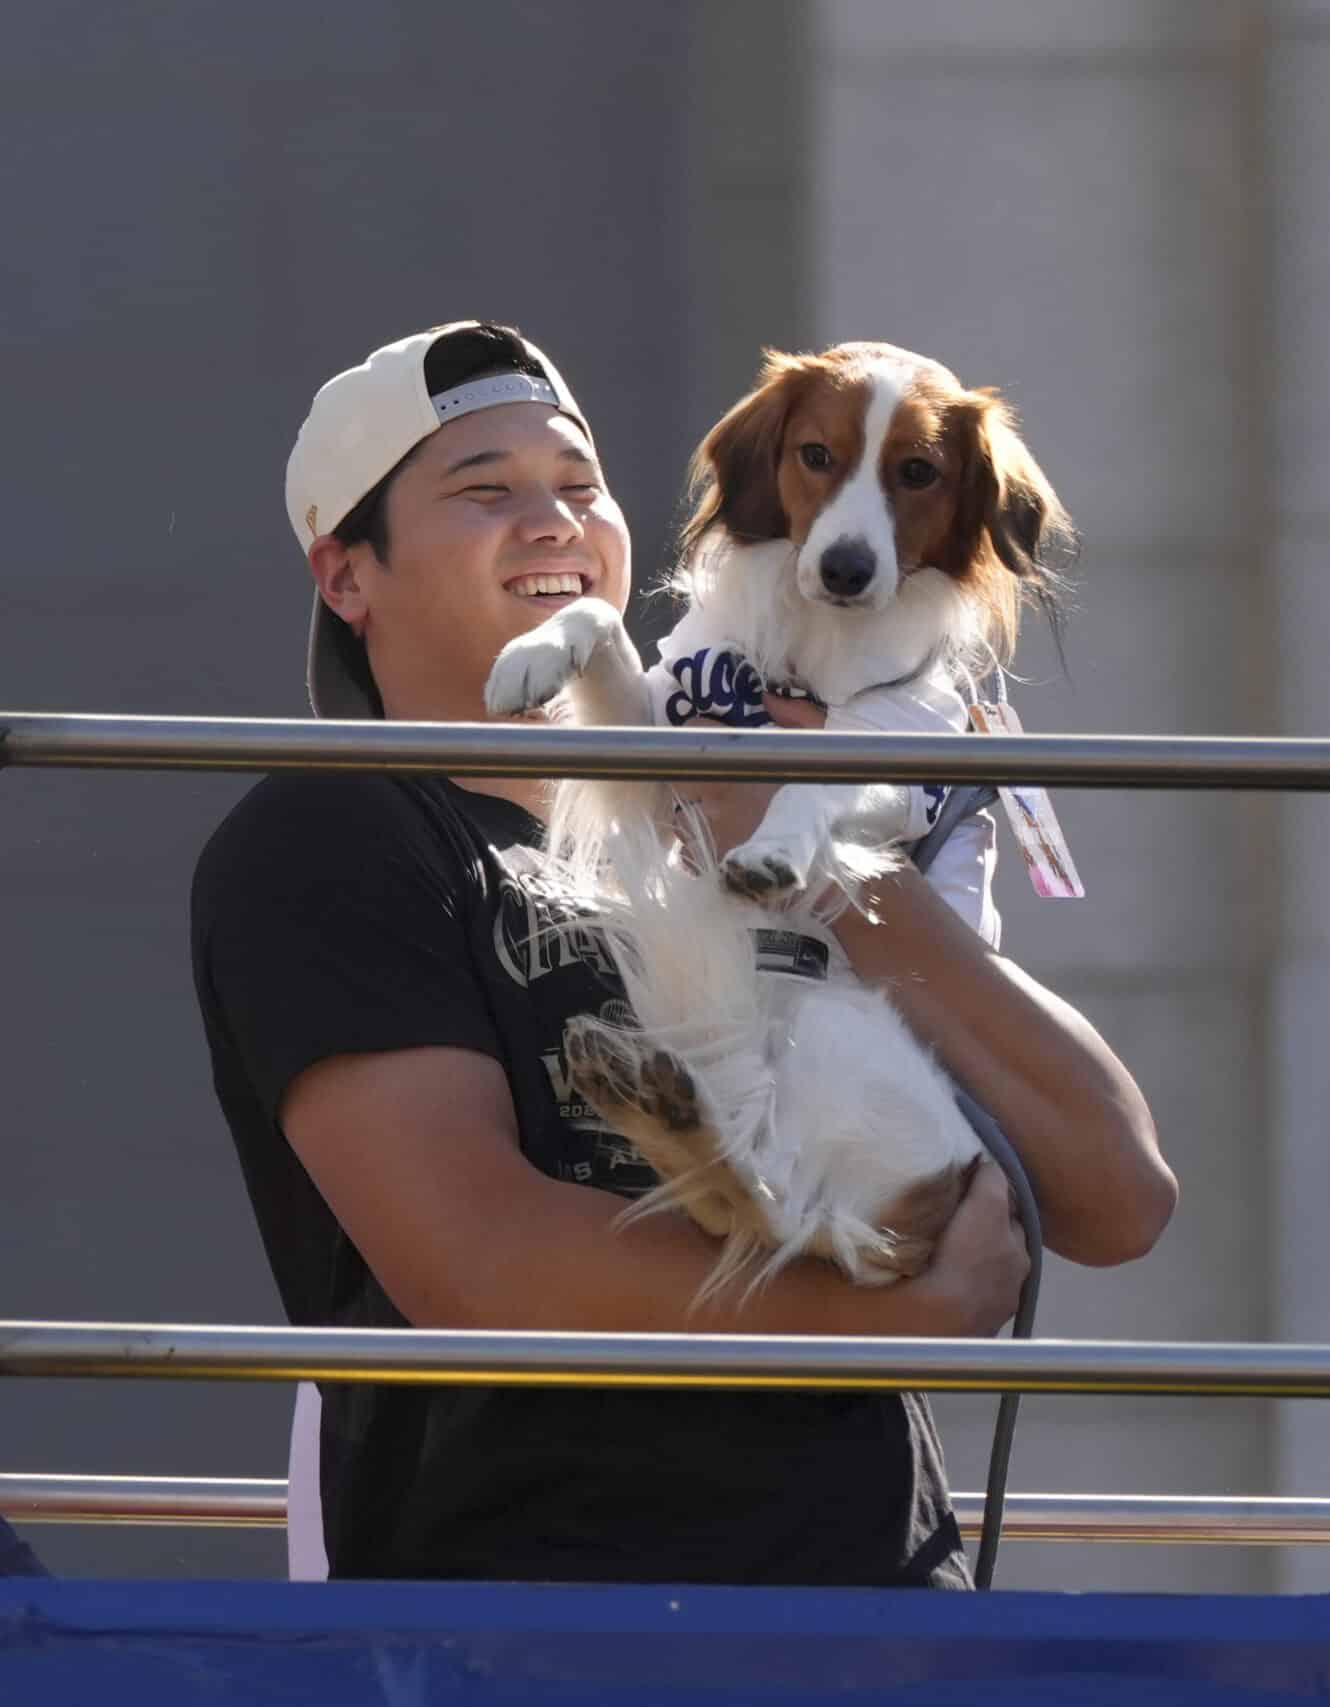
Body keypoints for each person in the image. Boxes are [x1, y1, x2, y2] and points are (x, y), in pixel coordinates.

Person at [190, 321, 1175, 1587]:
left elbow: (1117, 1195)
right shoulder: (336, 828)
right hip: (534, 1608)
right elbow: (479, 1262)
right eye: (485, 490)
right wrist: (891, 1322)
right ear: (346, 576)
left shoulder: (743, 807)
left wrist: (830, 844)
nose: (555, 523)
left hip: (873, 1601)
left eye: (579, 486)